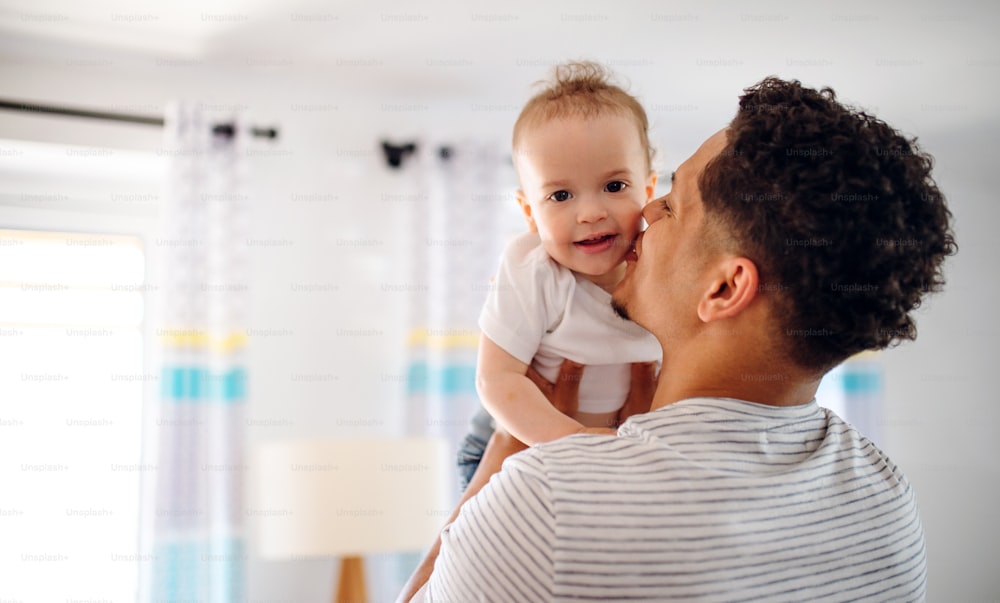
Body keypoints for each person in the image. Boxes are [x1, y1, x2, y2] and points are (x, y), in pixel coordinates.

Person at [408, 76, 956, 601]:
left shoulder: (548, 506)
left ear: (724, 288)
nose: (644, 214)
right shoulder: (887, 497)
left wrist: (507, 451)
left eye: (669, 204)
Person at [457, 60, 662, 492]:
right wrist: (572, 442)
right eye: (561, 195)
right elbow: (497, 380)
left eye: (614, 186)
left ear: (648, 190)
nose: (590, 213)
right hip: (522, 435)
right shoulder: (533, 270)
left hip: (612, 446)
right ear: (530, 213)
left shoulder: (665, 265)